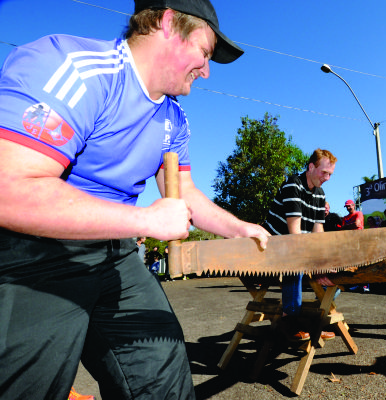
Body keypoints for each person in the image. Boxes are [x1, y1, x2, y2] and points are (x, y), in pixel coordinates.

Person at [0, 1, 270, 398]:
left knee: (164, 378)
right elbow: (10, 188)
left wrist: (240, 229)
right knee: (27, 387)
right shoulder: (73, 68)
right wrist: (146, 221)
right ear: (166, 23)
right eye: (205, 52)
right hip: (36, 254)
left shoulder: (175, 118)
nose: (207, 70)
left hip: (116, 254)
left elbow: (185, 194)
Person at [263, 149, 337, 342]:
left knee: (339, 268)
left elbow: (317, 233)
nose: (327, 178)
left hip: (296, 248)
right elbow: (294, 236)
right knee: (294, 257)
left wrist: (324, 262)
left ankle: (313, 320)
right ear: (311, 167)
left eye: (330, 174)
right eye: (324, 172)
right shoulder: (293, 185)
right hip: (274, 248)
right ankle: (289, 319)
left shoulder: (320, 194)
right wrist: (316, 265)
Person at [341, 199, 369, 292]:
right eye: (347, 206)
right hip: (349, 243)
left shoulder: (358, 213)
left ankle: (365, 285)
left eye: (349, 206)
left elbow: (357, 225)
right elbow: (342, 229)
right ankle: (356, 284)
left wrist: (346, 227)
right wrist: (349, 226)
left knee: (361, 263)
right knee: (352, 264)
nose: (348, 208)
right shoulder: (345, 217)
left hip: (359, 241)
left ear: (353, 205)